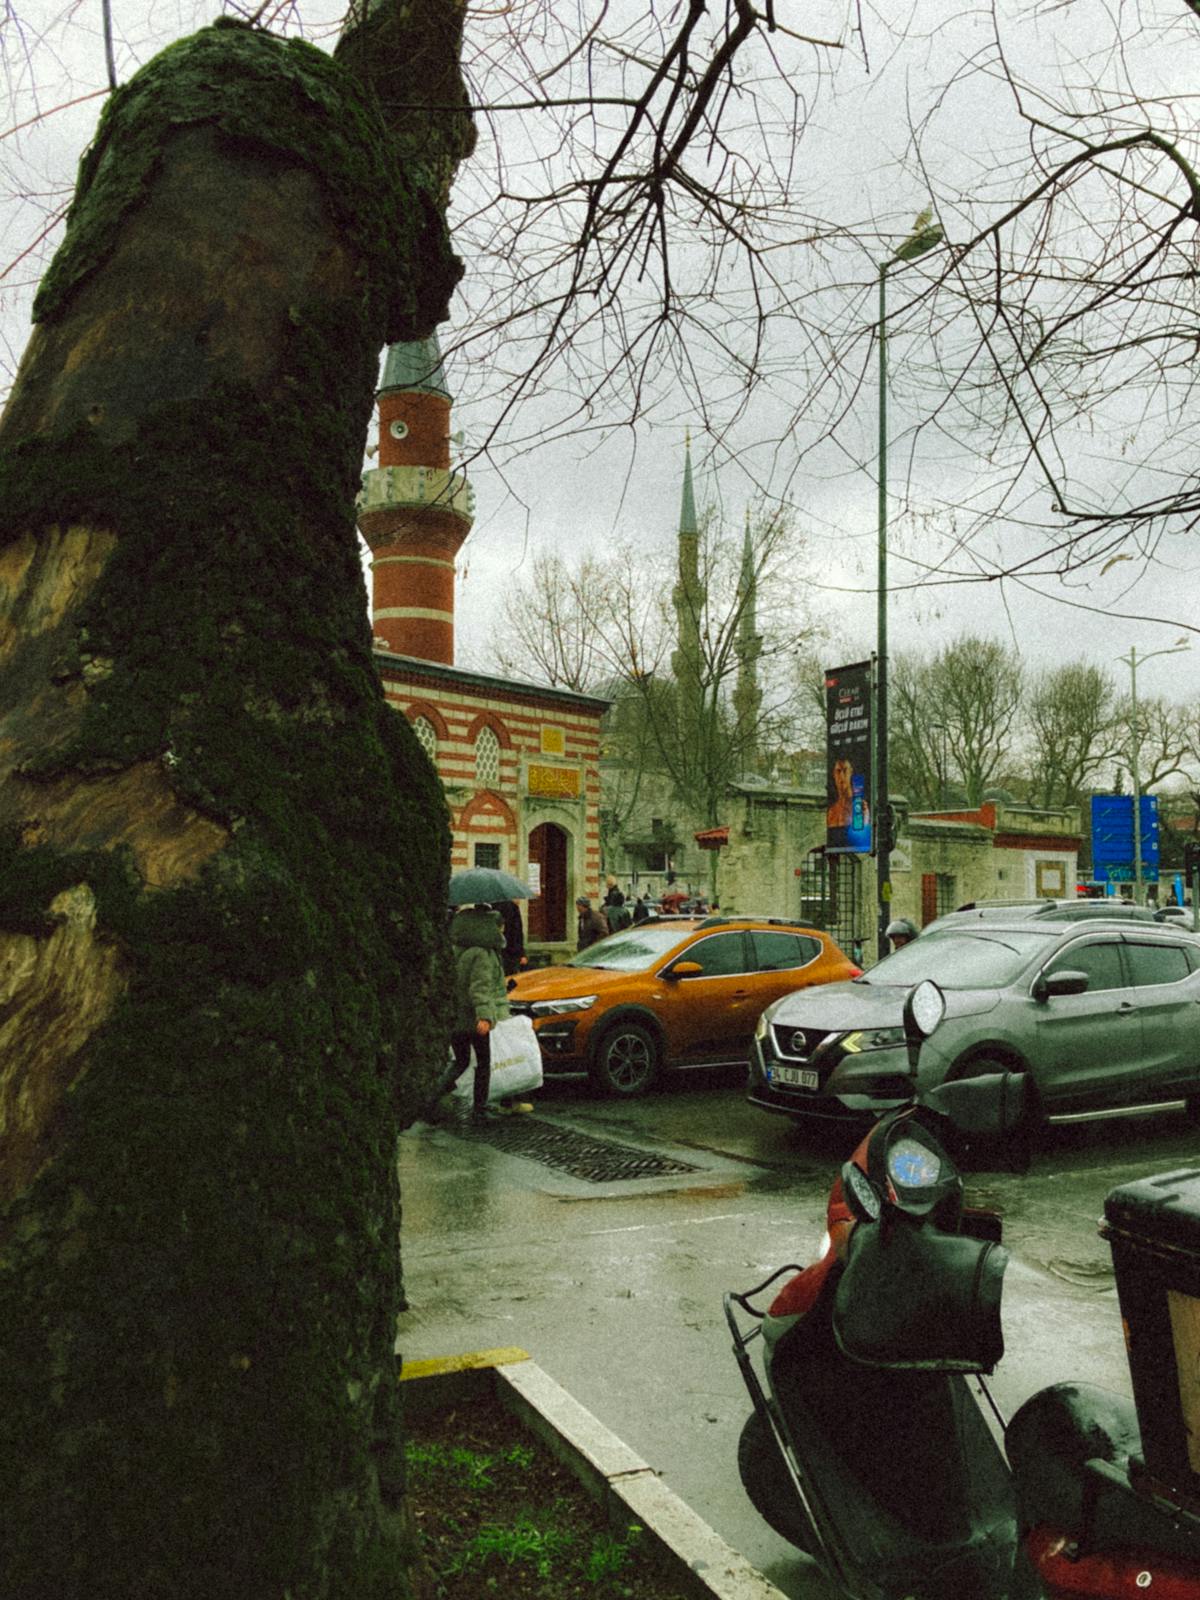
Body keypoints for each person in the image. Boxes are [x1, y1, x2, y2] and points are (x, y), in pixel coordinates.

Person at [450, 904, 530, 1122]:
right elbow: (479, 987)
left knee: (461, 1061)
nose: (502, 931)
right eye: (499, 927)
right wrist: (484, 1016)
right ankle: (479, 1109)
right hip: (473, 1018)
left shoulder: (458, 948)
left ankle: (430, 1099)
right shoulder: (483, 954)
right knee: (483, 1063)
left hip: (456, 1015)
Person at [491, 898, 527, 978]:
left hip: (493, 949)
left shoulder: (491, 908)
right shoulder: (513, 907)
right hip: (511, 950)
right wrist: (521, 953)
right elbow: (517, 931)